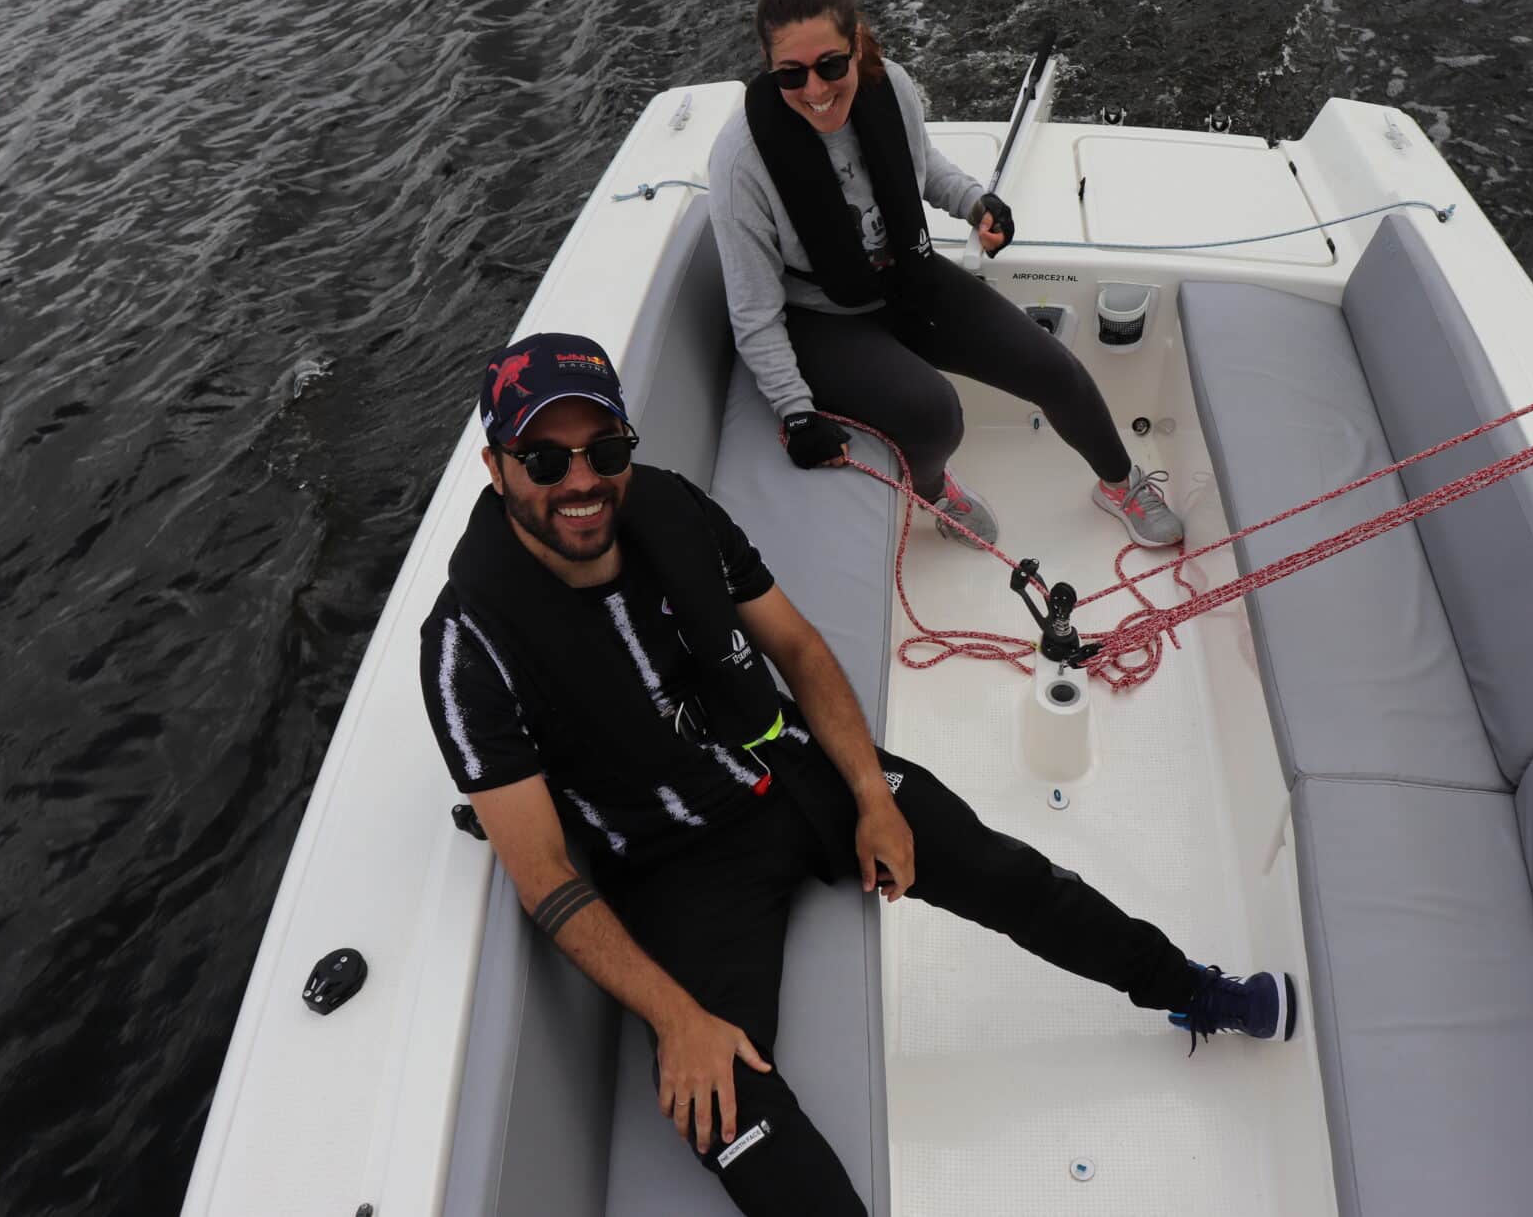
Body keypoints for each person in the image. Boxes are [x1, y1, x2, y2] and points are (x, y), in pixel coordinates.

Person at [419, 334, 1293, 1217]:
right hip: (675, 863)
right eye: (544, 459)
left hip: (790, 768)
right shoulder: (465, 647)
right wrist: (677, 1017)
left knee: (1007, 872)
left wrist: (872, 794)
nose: (580, 480)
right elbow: (544, 875)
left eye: (604, 450)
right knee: (723, 1113)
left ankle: (1187, 988)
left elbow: (798, 649)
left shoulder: (675, 509)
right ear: (496, 467)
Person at [708, 0, 1184, 550]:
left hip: (905, 278)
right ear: (768, 66)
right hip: (821, 317)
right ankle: (936, 492)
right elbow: (753, 312)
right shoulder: (741, 161)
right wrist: (796, 413)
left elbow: (921, 165)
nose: (815, 90)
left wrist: (974, 202)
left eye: (831, 65)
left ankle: (1119, 485)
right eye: (791, 73)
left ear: (856, 45)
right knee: (935, 414)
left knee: (1054, 369)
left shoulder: (892, 86)